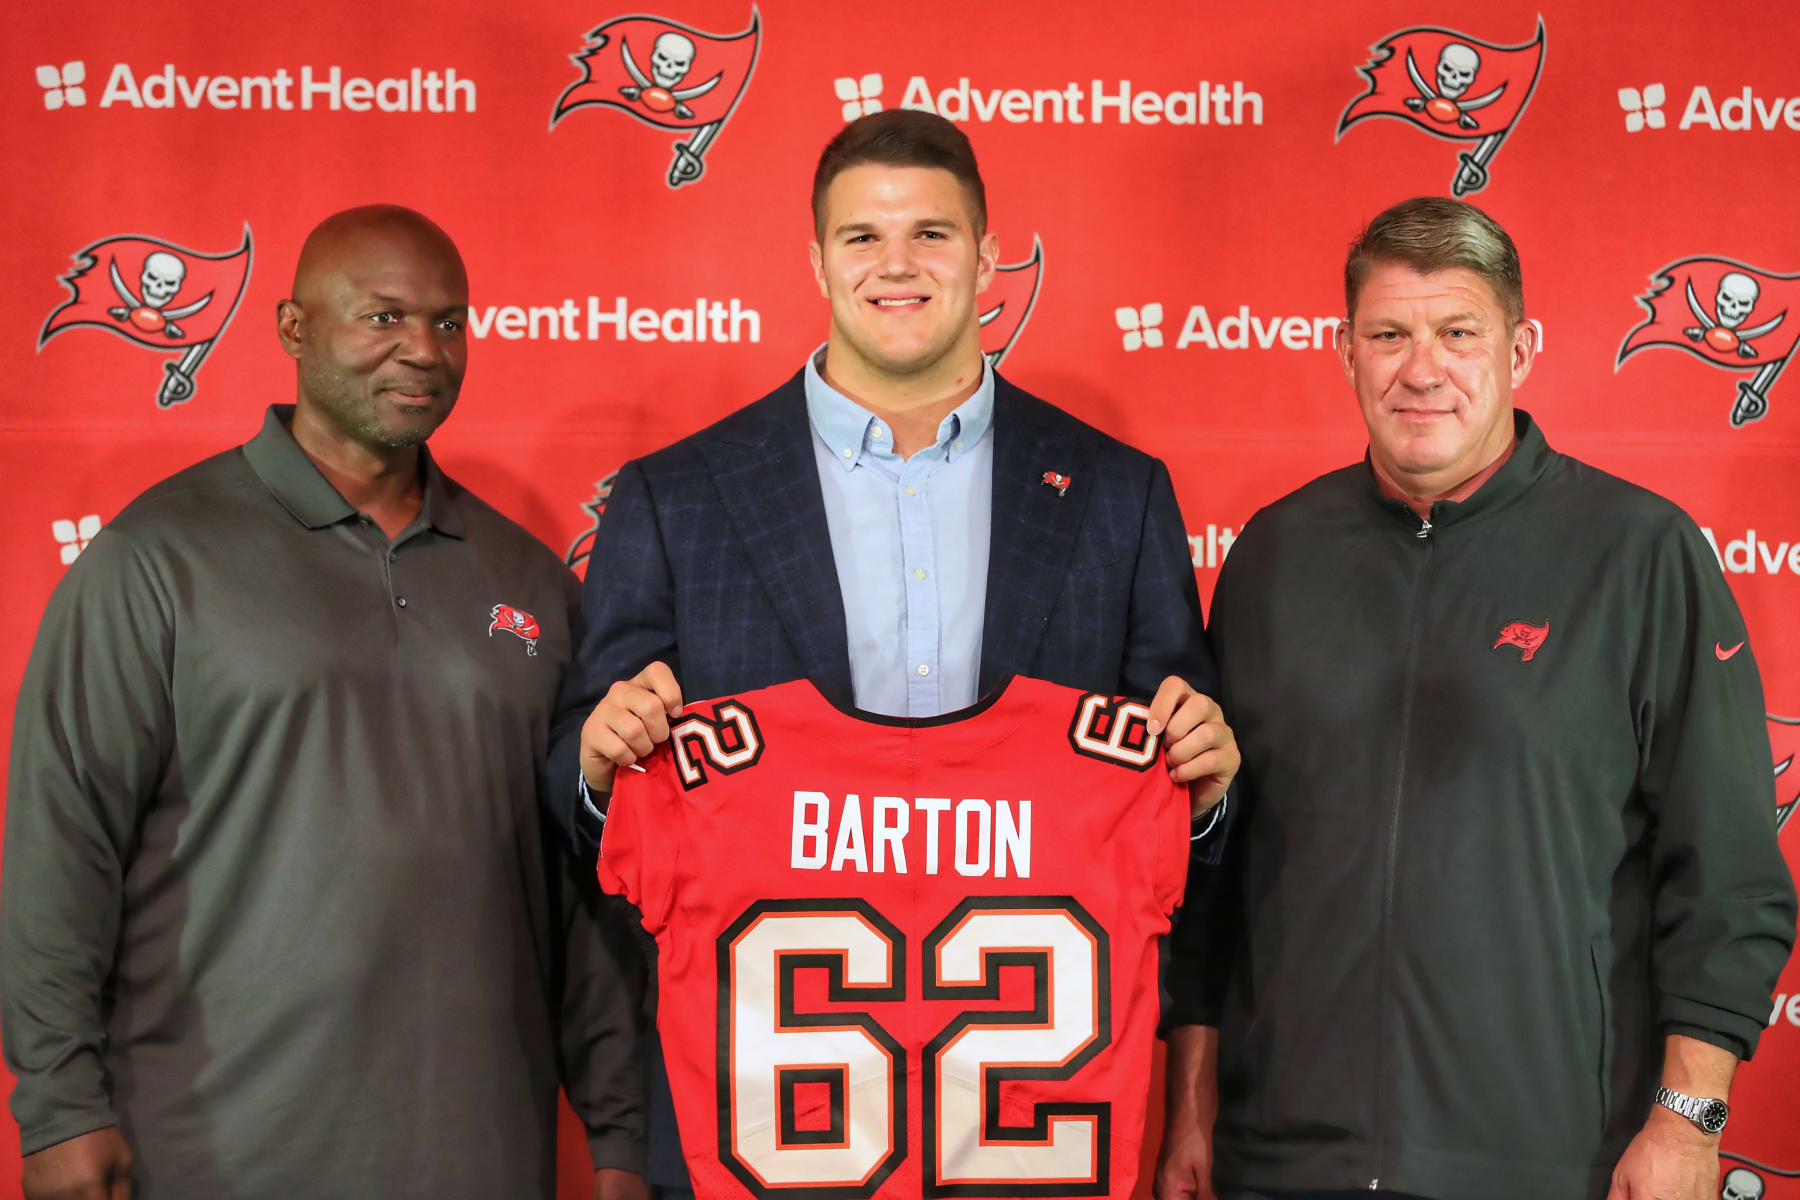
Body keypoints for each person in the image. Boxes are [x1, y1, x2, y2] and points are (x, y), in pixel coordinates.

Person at [545, 109, 1240, 1199]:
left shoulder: (1114, 492)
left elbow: (1184, 823)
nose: (897, 265)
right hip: (760, 1121)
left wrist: (1203, 789)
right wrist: (597, 766)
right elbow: (583, 809)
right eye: (862, 238)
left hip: (1026, 1129)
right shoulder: (677, 497)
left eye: (932, 233)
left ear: (986, 253)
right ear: (816, 260)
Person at [1155, 196, 1797, 1200]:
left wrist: (1687, 1124)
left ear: (1521, 346)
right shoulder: (1275, 555)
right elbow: (1208, 882)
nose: (1421, 369)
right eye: (1389, 335)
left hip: (1546, 1163)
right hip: (1281, 1161)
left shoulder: (1639, 554)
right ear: (1344, 350)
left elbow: (1727, 878)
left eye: (1458, 333)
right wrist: (1189, 1110)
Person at [2, 205, 647, 1200]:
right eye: (383, 318)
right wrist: (57, 1105)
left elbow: (580, 887)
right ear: (293, 329)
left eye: (448, 323)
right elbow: (63, 842)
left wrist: (620, 1131)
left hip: (477, 1155)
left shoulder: (530, 583)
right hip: (214, 1152)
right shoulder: (156, 559)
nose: (422, 352)